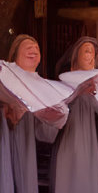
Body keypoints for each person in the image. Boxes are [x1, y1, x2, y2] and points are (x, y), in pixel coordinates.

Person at [1, 35, 68, 193]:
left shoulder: (45, 87)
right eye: (28, 47)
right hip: (4, 139)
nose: (33, 50)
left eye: (37, 48)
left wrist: (54, 118)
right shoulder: (4, 74)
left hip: (27, 148)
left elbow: (47, 135)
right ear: (15, 54)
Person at [50, 36, 98, 193]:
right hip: (70, 144)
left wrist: (94, 97)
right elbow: (56, 115)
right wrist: (77, 94)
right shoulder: (63, 84)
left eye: (93, 53)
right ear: (76, 57)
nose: (91, 56)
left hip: (95, 147)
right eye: (87, 51)